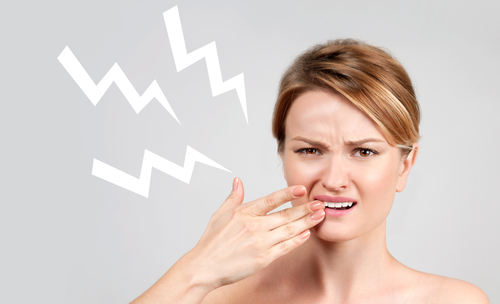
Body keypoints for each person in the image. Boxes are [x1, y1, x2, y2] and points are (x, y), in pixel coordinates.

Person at [131, 39, 489, 303]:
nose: (333, 180)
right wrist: (198, 269)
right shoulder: (217, 296)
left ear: (404, 166)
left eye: (364, 151)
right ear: (283, 155)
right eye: (310, 150)